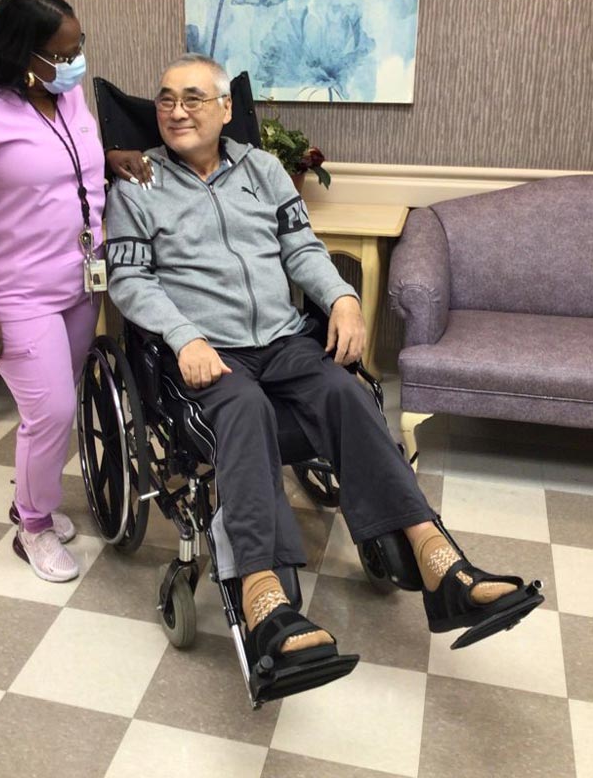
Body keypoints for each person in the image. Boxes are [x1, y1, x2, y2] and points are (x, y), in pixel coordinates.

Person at [105, 52, 543, 665]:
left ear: (226, 108)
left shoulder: (262, 169)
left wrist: (340, 298)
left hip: (282, 338)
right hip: (208, 353)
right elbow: (129, 281)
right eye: (166, 99)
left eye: (193, 98)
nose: (176, 112)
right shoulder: (139, 182)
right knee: (244, 409)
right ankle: (264, 597)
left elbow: (301, 248)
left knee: (347, 391)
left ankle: (440, 563)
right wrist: (185, 337)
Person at [0, 0, 150, 583]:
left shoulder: (63, 96)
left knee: (55, 404)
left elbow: (65, 161)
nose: (76, 61)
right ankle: (34, 526)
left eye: (80, 46)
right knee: (49, 410)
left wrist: (111, 157)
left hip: (79, 279)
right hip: (15, 293)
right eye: (63, 52)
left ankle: (30, 498)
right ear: (23, 52)